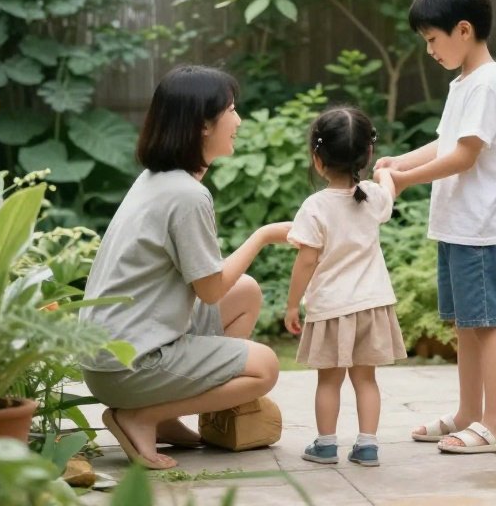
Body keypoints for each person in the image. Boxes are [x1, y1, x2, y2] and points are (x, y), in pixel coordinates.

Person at [79, 66, 290, 470]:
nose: (238, 119)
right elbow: (210, 291)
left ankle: (165, 412)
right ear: (203, 125)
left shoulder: (156, 179)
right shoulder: (186, 195)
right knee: (265, 366)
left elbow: (212, 286)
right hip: (131, 365)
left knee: (245, 291)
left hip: (109, 356)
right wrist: (262, 236)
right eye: (230, 109)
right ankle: (141, 416)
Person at [376, 0, 496, 455]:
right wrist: (400, 161)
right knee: (465, 324)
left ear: (463, 30)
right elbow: (445, 143)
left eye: (433, 40)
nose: (430, 50)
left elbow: (465, 157)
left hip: (481, 229)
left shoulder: (486, 83)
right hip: (461, 225)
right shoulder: (464, 83)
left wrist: (402, 181)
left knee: (488, 324)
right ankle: (467, 413)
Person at [285, 107, 407, 467]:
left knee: (329, 382)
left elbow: (306, 260)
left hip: (331, 308)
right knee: (366, 380)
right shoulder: (372, 196)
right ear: (366, 154)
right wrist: (385, 173)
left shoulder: (315, 206)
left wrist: (293, 305)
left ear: (317, 159)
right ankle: (367, 445)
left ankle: (325, 445)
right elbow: (388, 189)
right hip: (371, 305)